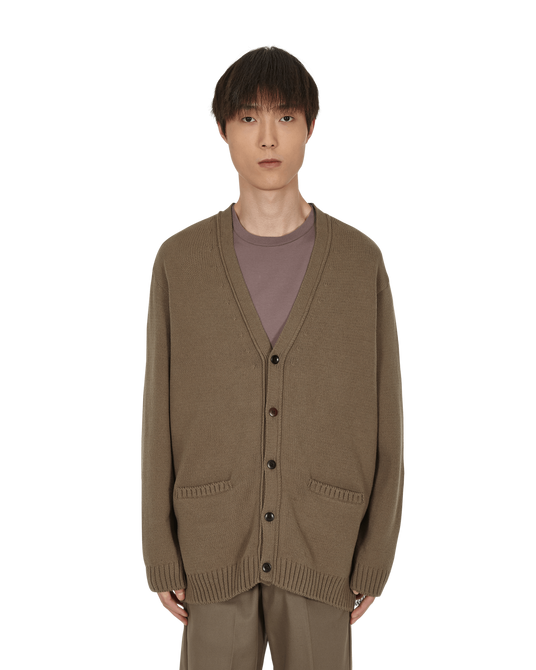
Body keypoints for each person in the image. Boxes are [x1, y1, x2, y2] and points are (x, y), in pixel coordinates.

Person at [140, 41, 406, 670]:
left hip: (325, 545)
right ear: (223, 131)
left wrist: (376, 553)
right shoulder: (178, 262)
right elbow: (156, 417)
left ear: (311, 128)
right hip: (209, 545)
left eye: (286, 116)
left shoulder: (360, 262)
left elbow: (388, 419)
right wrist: (159, 551)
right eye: (248, 117)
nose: (268, 137)